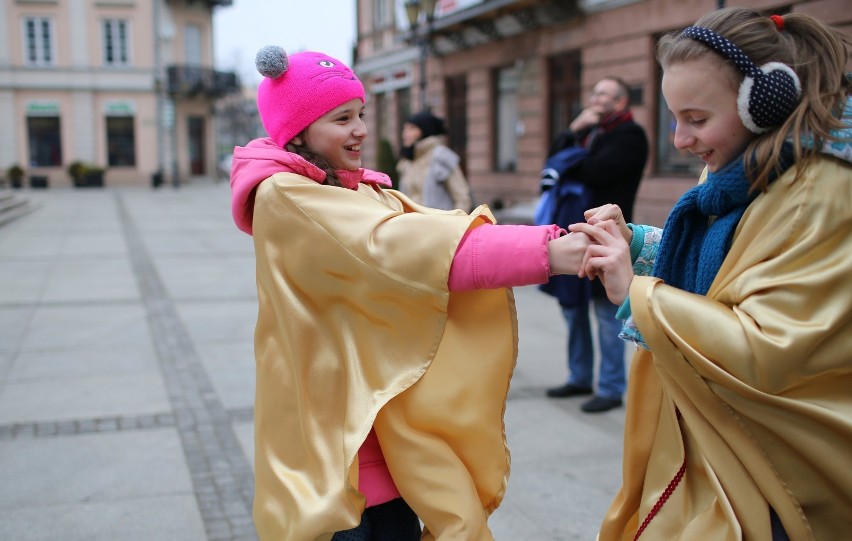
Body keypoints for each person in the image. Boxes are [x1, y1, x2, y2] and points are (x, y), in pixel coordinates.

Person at [229, 45, 591, 540]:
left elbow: (431, 228)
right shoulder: (288, 195)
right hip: (341, 454)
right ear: (299, 129)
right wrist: (551, 253)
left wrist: (551, 241)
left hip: (381, 439)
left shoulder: (351, 188)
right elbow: (412, 250)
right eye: (341, 119)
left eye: (361, 114)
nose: (360, 129)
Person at [570, 8, 852, 539]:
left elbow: (769, 349)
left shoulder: (820, 192)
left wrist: (636, 293)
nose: (679, 139)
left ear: (766, 102)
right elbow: (728, 271)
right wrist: (635, 243)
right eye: (675, 117)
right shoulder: (745, 164)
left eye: (696, 119)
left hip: (787, 478)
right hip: (740, 452)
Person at [542, 76, 648, 413]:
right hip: (576, 233)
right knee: (572, 310)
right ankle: (580, 376)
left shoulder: (630, 135)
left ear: (620, 102)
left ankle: (611, 387)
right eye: (594, 92)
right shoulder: (589, 132)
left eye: (603, 94)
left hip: (608, 236)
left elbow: (595, 172)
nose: (595, 99)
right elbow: (553, 162)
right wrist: (573, 131)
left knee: (607, 314)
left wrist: (571, 161)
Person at [397, 111, 473, 211]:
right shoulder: (408, 161)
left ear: (424, 130)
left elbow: (462, 198)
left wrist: (454, 223)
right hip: (413, 224)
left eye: (411, 128)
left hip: (440, 224)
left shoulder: (441, 156)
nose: (405, 133)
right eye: (405, 128)